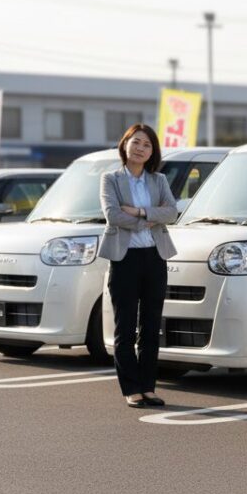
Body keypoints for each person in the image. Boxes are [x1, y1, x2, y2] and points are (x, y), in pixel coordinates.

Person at [98, 124, 179, 408]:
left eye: (147, 144)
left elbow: (172, 212)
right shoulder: (110, 179)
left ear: (152, 151)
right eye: (136, 142)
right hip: (125, 259)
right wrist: (148, 220)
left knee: (151, 326)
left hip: (154, 257)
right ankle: (131, 388)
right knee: (125, 327)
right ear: (125, 145)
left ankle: (148, 387)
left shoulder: (158, 180)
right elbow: (113, 216)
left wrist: (141, 211)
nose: (140, 148)